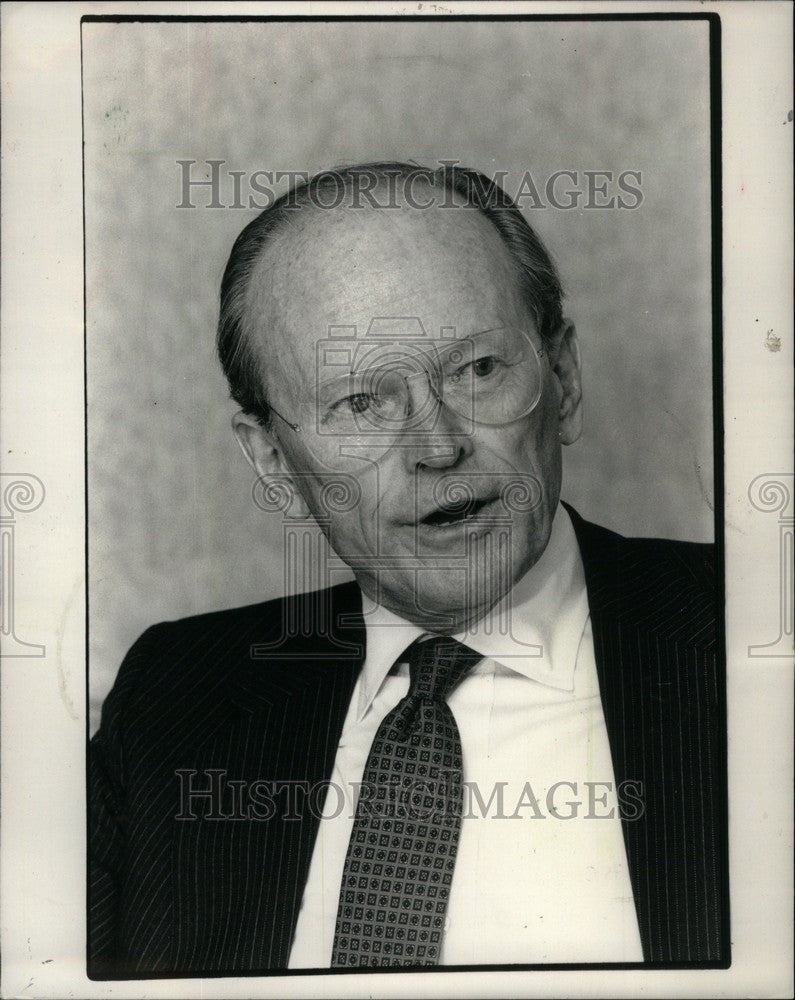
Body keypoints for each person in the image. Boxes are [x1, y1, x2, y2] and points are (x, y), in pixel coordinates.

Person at [88, 162, 726, 976]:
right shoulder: (172, 706)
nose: (437, 447)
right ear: (274, 463)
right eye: (359, 403)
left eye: (478, 370)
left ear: (562, 378)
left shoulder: (748, 641)